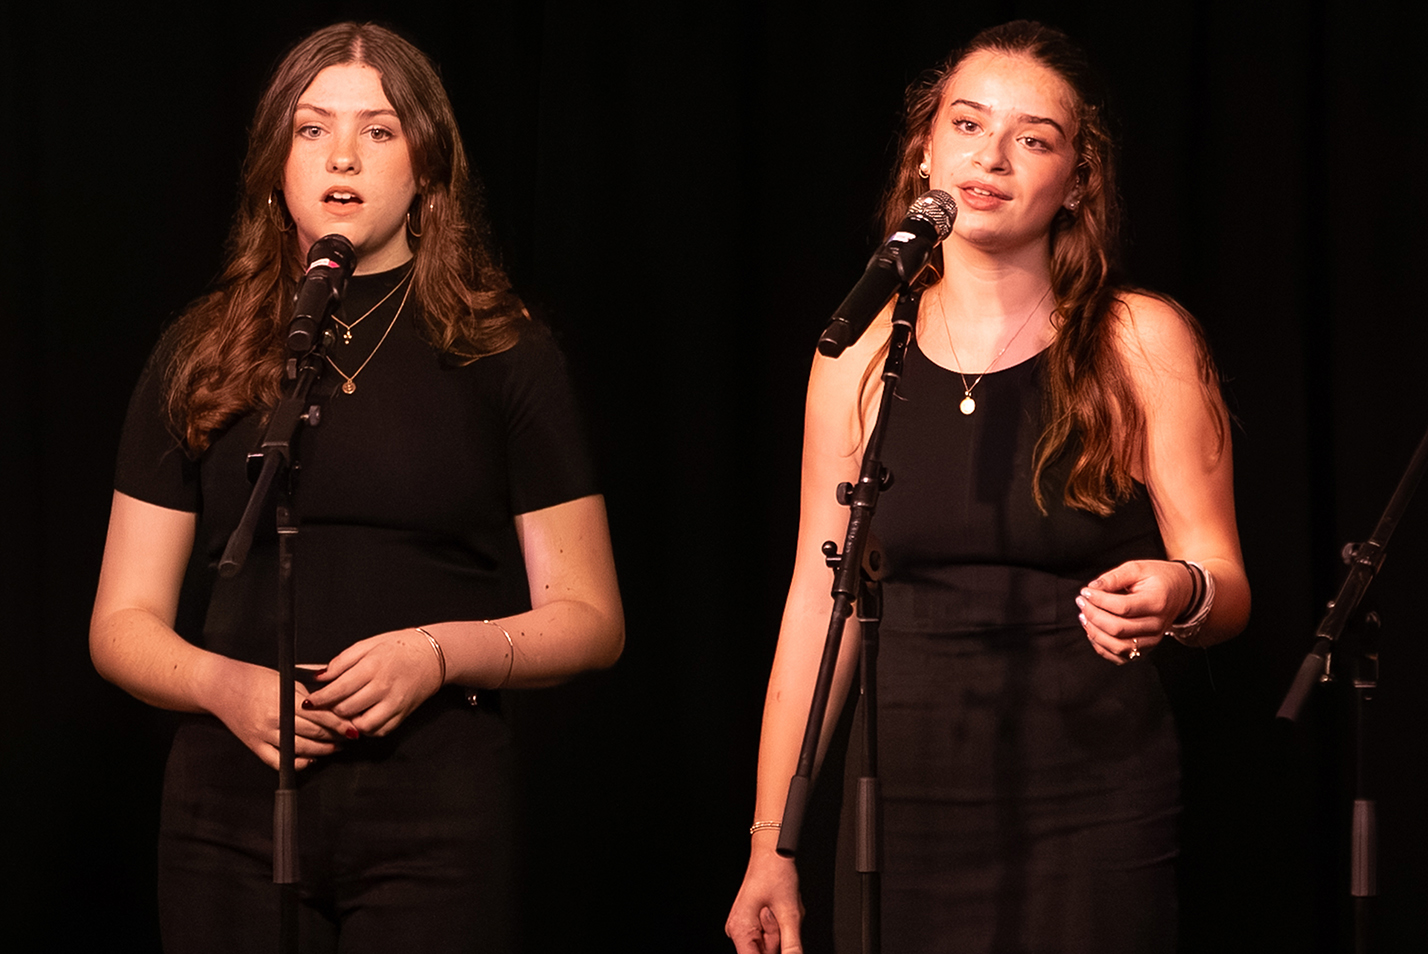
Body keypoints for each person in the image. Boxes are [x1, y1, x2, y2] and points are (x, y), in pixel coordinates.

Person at [89, 22, 623, 953]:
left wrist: (438, 652)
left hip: (434, 811)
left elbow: (589, 618)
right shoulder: (201, 350)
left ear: (427, 165)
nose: (342, 155)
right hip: (228, 810)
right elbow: (121, 622)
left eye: (379, 131)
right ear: (274, 163)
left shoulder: (504, 351)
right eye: (311, 129)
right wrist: (223, 686)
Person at [726, 20, 1249, 954]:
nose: (993, 158)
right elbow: (819, 599)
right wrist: (774, 844)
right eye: (967, 125)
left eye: (1033, 138)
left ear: (1077, 180)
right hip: (902, 793)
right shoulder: (859, 350)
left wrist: (1183, 592)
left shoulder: (1139, 340)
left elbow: (1224, 582)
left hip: (1091, 792)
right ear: (926, 146)